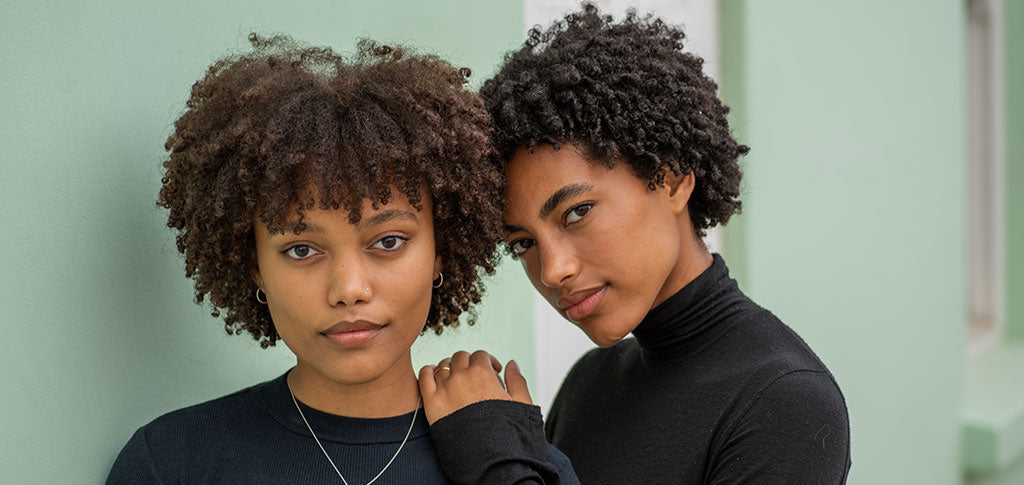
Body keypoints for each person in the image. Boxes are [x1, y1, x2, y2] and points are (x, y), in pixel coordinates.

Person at [106, 34, 577, 484]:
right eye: (302, 249)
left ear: (441, 251)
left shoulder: (521, 470)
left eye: (388, 241)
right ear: (255, 267)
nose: (349, 289)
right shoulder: (171, 464)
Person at [420, 4, 852, 484]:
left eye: (577, 212)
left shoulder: (786, 401)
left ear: (672, 178)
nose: (553, 270)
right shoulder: (589, 385)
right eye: (523, 243)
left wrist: (494, 458)